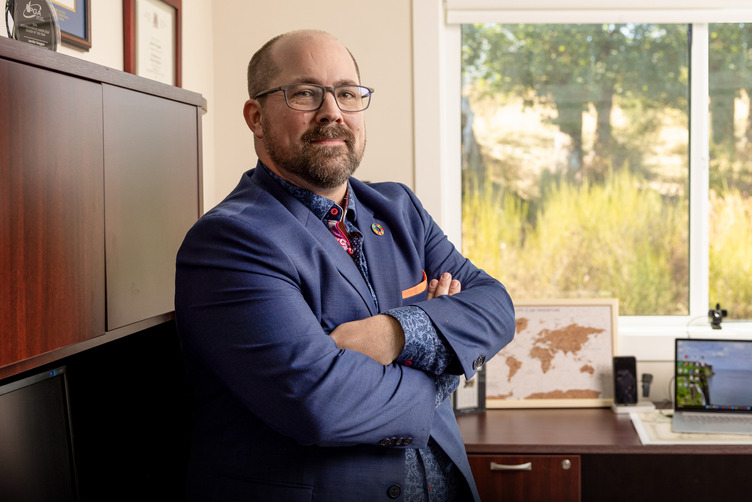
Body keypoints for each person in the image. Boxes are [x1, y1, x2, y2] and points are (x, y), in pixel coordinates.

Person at [175, 29, 515, 502]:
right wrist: (445, 360)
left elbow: (496, 306)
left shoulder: (399, 208)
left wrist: (394, 334)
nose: (332, 111)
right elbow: (321, 405)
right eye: (305, 93)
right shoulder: (230, 241)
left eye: (347, 93)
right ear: (256, 117)